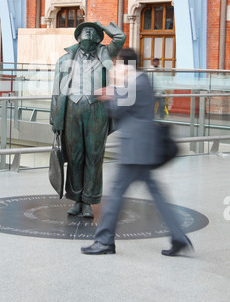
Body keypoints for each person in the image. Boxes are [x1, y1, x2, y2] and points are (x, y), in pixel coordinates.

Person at [81, 47, 193, 256]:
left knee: (115, 195)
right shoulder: (140, 81)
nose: (116, 67)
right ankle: (179, 237)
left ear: (127, 65)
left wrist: (110, 93)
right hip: (141, 148)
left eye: (118, 64)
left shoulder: (134, 83)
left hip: (134, 149)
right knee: (156, 194)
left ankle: (104, 241)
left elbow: (117, 110)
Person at [50, 21, 126, 218]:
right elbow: (56, 92)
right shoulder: (65, 60)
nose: (89, 33)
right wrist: (55, 120)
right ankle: (76, 199)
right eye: (85, 31)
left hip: (97, 110)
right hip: (71, 111)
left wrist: (102, 25)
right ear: (78, 38)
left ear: (99, 38)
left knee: (94, 156)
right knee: (75, 157)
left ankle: (89, 201)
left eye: (93, 31)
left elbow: (120, 37)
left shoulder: (105, 54)